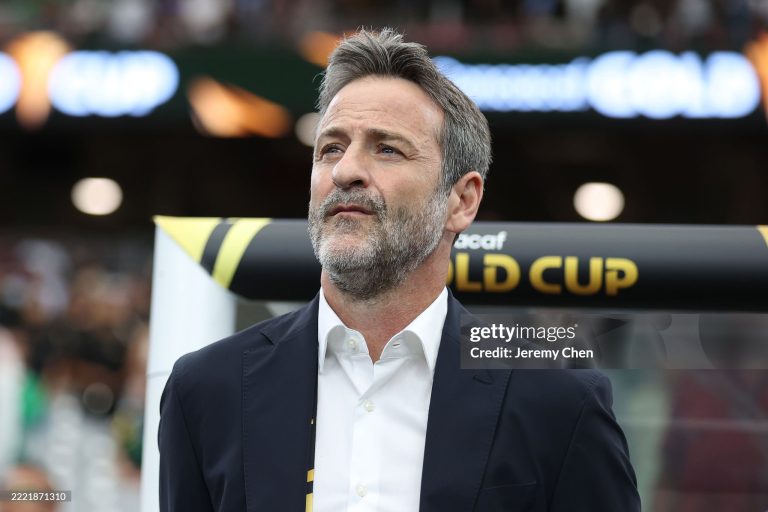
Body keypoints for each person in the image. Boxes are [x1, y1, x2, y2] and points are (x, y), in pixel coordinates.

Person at [158, 28, 640, 511]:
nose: (346, 170)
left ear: (462, 199)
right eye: (330, 148)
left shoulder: (558, 398)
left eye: (387, 148)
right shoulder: (204, 389)